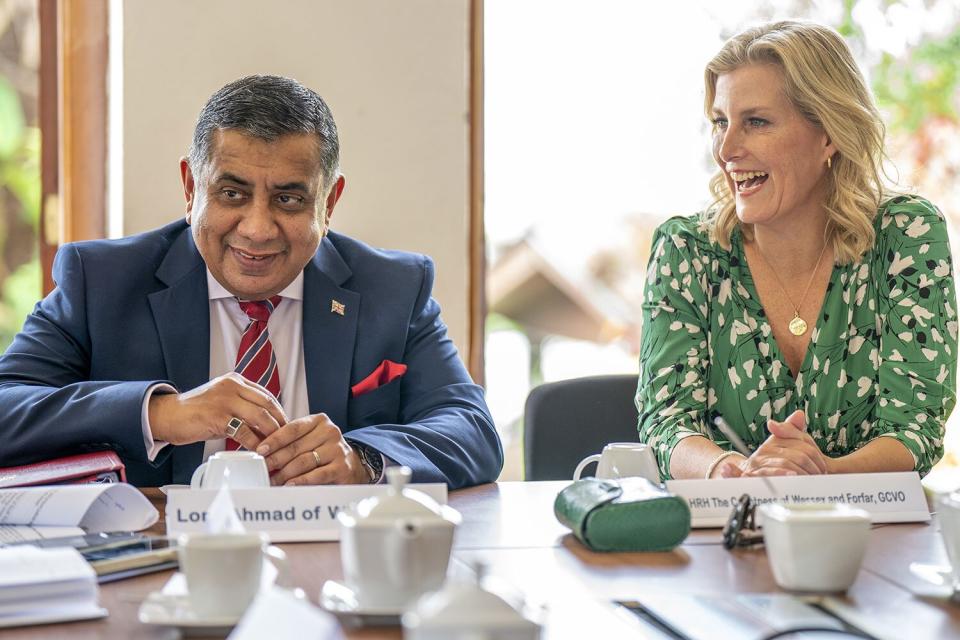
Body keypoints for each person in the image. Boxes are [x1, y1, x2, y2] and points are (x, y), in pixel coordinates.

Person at [0, 75, 503, 488]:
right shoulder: (101, 281)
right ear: (191, 187)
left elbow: (472, 431)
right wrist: (162, 414)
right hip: (164, 563)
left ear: (328, 204)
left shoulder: (392, 287)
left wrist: (363, 460)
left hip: (334, 565)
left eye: (288, 199)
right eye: (232, 194)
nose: (257, 229)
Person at [636, 21, 957, 481]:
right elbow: (667, 420)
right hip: (724, 529)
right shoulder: (686, 250)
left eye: (756, 122)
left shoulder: (905, 234)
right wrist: (733, 471)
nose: (726, 149)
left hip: (870, 532)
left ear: (828, 133)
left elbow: (915, 428)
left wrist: (822, 474)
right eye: (721, 123)